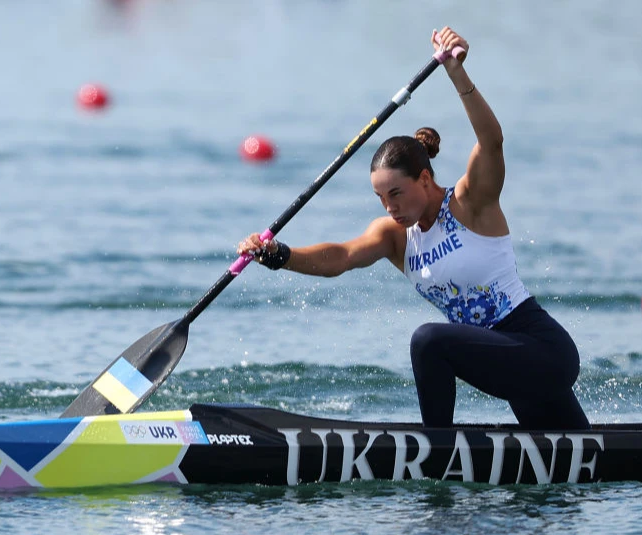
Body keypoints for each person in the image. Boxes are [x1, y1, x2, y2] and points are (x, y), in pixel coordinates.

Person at [238, 26, 589, 431]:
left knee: (428, 341)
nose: (391, 207)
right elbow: (341, 257)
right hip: (505, 366)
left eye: (397, 193)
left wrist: (456, 73)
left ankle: (435, 449)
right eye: (381, 198)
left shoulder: (470, 203)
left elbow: (491, 142)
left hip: (541, 350)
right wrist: (279, 255)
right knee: (577, 462)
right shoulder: (395, 236)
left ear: (425, 179)